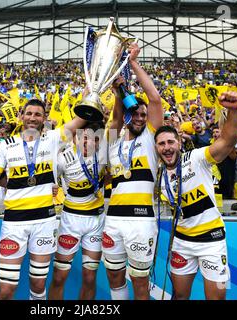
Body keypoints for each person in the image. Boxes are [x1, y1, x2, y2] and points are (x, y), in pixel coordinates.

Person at [0, 98, 86, 300]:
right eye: (29, 113)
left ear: (44, 118)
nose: (33, 118)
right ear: (21, 116)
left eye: (38, 114)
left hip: (44, 221)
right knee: (7, 290)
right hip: (14, 223)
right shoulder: (6, 146)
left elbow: (79, 120)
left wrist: (90, 94)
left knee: (38, 284)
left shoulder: (53, 139)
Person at [154, 91, 237, 300]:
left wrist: (235, 109)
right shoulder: (158, 174)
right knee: (179, 297)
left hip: (211, 241)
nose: (167, 148)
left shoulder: (196, 158)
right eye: (161, 144)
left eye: (170, 142)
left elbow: (230, 139)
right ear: (156, 148)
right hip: (182, 242)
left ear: (179, 143)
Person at [102, 43, 163, 300]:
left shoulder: (150, 137)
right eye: (134, 114)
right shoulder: (113, 141)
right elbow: (114, 120)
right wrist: (118, 91)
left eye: (143, 114)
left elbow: (155, 99)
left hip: (141, 221)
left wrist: (133, 63)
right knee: (115, 278)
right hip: (112, 219)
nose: (139, 117)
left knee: (139, 283)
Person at [48, 120, 106, 300]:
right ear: (75, 138)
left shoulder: (104, 157)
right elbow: (49, 184)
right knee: (59, 277)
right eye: (83, 138)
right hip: (70, 221)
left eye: (93, 139)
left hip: (96, 222)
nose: (87, 143)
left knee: (90, 278)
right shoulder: (62, 159)